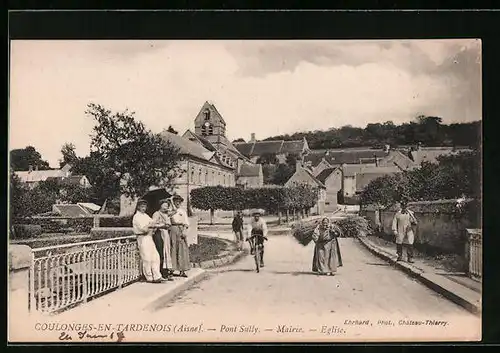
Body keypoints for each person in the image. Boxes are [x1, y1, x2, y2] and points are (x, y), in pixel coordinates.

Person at [132, 199, 165, 283]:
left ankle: (157, 276)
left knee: (155, 256)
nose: (144, 208)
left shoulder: (145, 215)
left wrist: (157, 224)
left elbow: (152, 223)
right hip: (142, 238)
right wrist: (151, 225)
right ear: (138, 207)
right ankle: (149, 277)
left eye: (145, 206)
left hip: (149, 237)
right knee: (146, 258)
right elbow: (144, 229)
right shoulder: (137, 217)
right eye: (142, 206)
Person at [152, 198, 175, 281]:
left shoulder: (166, 214)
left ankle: (166, 272)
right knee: (161, 252)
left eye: (167, 206)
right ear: (160, 205)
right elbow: (153, 224)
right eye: (164, 205)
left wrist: (171, 202)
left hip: (166, 234)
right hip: (159, 233)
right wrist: (162, 225)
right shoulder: (156, 214)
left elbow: (174, 211)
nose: (166, 207)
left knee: (166, 252)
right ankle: (161, 272)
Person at [169, 195, 191, 277]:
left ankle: (182, 270)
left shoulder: (183, 211)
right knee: (173, 248)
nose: (177, 203)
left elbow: (186, 223)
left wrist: (184, 231)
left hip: (181, 229)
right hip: (173, 229)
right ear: (173, 202)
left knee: (182, 249)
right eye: (176, 201)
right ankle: (171, 270)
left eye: (179, 201)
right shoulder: (170, 211)